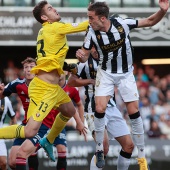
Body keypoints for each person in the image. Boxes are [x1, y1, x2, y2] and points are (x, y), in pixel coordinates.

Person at [75, 1, 169, 169]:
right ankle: (98, 150)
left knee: (134, 112)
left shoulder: (122, 24)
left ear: (102, 18)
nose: (88, 21)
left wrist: (162, 11)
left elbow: (149, 21)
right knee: (100, 107)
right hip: (106, 73)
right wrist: (81, 56)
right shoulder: (91, 32)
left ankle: (141, 157)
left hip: (126, 74)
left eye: (91, 17)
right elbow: (84, 55)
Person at [0, 0, 88, 161]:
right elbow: (85, 25)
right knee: (29, 132)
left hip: (52, 88)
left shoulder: (44, 30)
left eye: (52, 7)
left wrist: (71, 67)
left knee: (68, 111)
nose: (54, 9)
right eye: (50, 8)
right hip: (44, 88)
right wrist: (100, 16)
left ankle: (48, 140)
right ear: (44, 17)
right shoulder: (55, 27)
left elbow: (55, 59)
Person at [0, 57, 85, 170]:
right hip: (27, 124)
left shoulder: (46, 84)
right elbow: (3, 93)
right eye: (26, 67)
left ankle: (47, 141)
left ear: (37, 69)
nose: (29, 70)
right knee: (12, 162)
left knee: (24, 153)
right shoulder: (17, 84)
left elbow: (70, 108)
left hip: (44, 125)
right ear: (23, 70)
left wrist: (80, 122)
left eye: (32, 67)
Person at [67, 46, 134, 170]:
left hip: (111, 106)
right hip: (93, 108)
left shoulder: (111, 59)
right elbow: (70, 82)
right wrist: (90, 81)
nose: (96, 50)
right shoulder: (84, 61)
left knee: (129, 146)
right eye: (93, 47)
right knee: (103, 147)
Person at [0, 96, 17, 170]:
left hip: (0, 134)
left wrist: (15, 133)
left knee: (3, 163)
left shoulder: (5, 100)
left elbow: (13, 117)